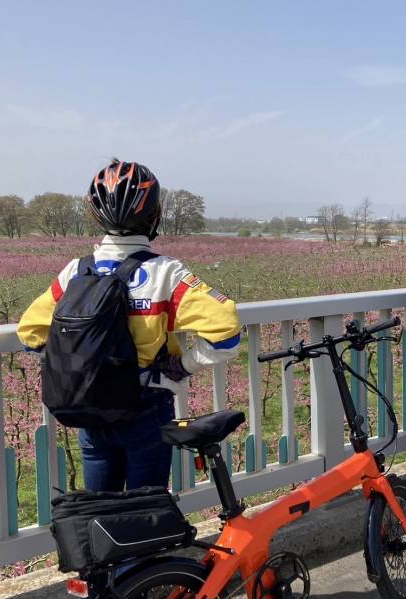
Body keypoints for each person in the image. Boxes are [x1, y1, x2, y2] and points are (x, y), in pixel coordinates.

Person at [17, 159, 241, 492]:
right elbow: (227, 334)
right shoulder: (167, 273)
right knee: (146, 508)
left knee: (100, 512)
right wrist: (181, 367)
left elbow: (29, 335)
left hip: (90, 409)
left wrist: (79, 363)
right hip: (146, 404)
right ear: (154, 215)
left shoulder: (75, 272)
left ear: (96, 215)